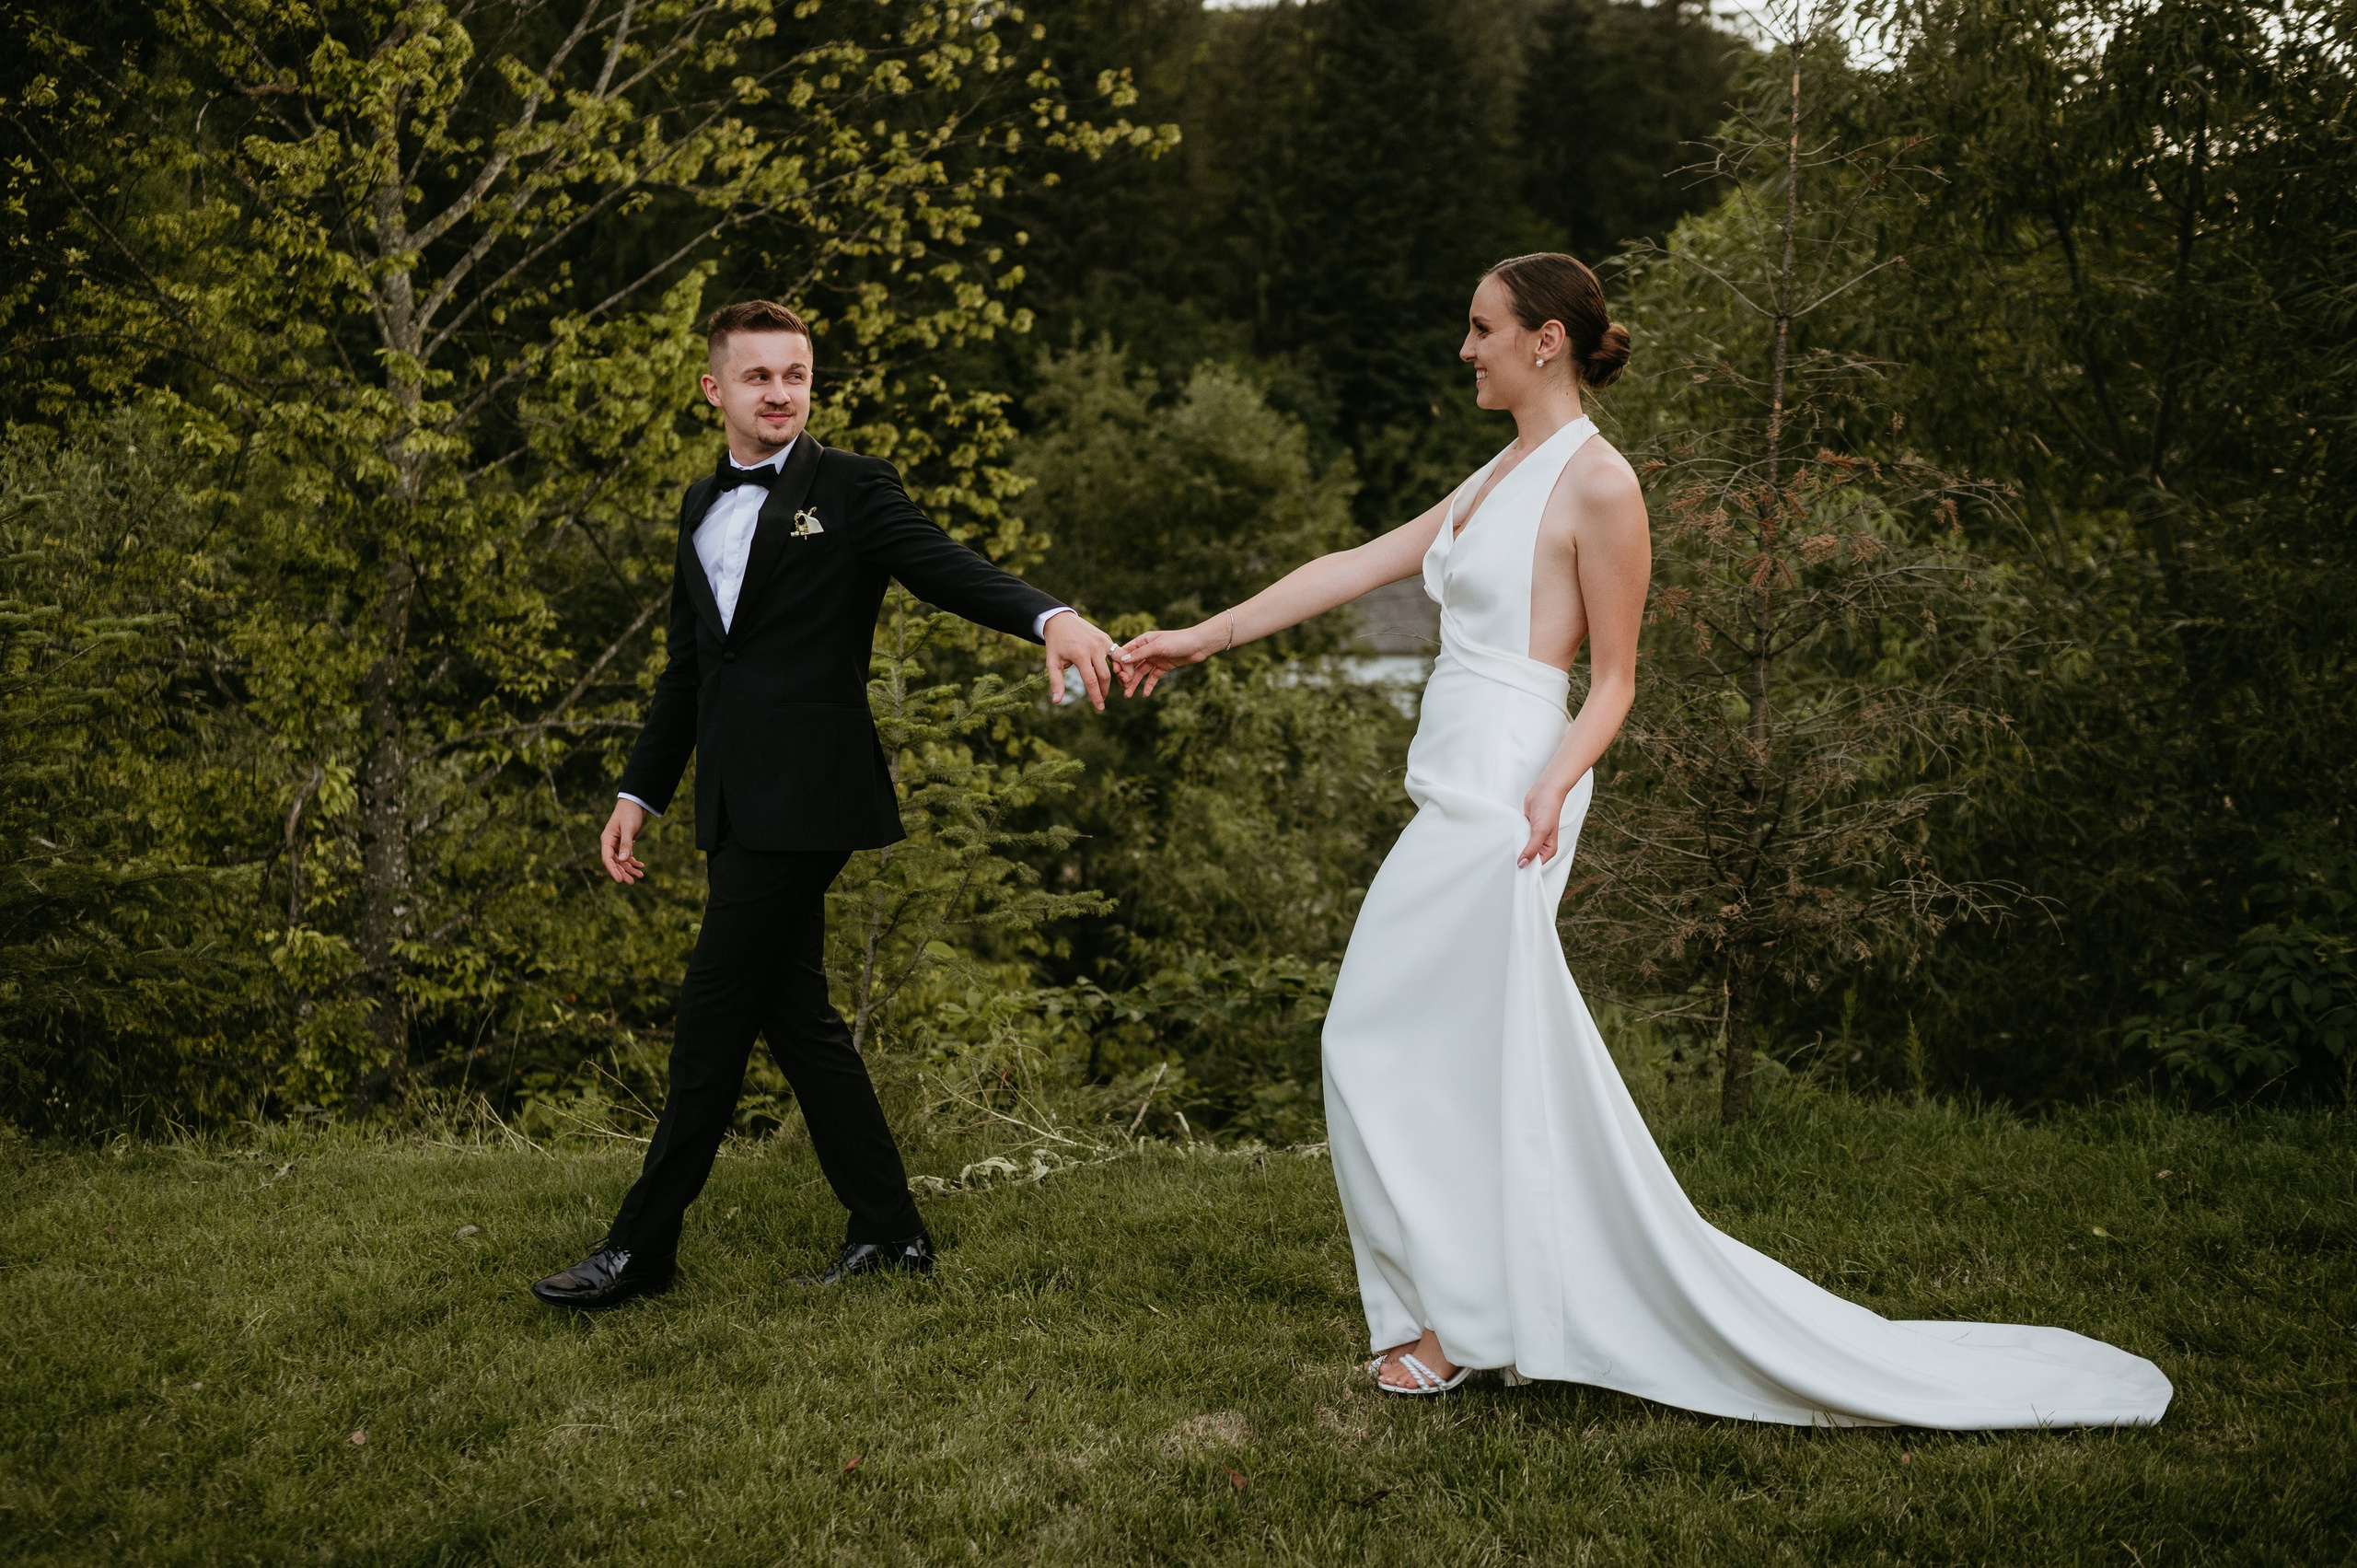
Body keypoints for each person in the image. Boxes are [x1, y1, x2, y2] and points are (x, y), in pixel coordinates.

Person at [1114, 254, 2173, 1426]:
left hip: (1513, 787)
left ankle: (1451, 1321)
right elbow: (1359, 564)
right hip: (1457, 782)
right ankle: (1464, 1314)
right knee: (1435, 1050)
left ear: (1546, 339)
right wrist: (1197, 638)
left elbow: (1614, 679)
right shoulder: (1499, 470)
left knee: (1367, 1036)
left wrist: (1554, 787)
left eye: (1480, 329)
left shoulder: (1600, 484)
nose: (1464, 350)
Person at [532, 301, 1119, 1309]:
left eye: (795, 374)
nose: (779, 393)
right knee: (794, 1013)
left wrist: (1048, 614)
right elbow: (689, 671)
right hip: (730, 798)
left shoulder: (848, 487)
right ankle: (890, 1229)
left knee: (711, 1017)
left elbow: (943, 565)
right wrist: (641, 788)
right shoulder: (695, 504)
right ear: (714, 389)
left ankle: (643, 1244)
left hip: (810, 793)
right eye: (757, 376)